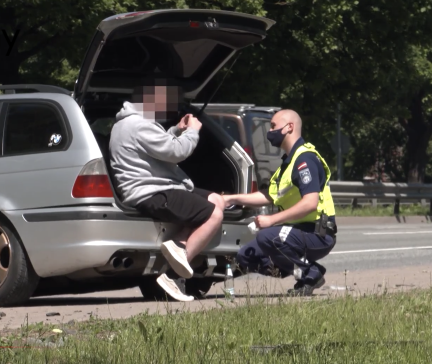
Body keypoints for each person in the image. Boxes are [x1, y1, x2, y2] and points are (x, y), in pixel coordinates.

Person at [109, 78, 225, 302]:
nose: (170, 106)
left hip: (159, 188)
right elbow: (176, 152)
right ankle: (171, 276)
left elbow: (158, 145)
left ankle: (179, 244)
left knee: (215, 199)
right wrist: (192, 131)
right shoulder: (137, 124)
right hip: (149, 193)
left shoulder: (134, 123)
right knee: (214, 213)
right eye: (166, 101)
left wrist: (175, 129)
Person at [223, 109, 337, 296]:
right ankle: (299, 270)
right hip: (298, 231)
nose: (270, 132)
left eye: (274, 126)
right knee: (246, 256)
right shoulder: (288, 163)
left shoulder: (304, 159)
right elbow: (269, 195)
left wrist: (272, 220)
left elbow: (310, 203)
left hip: (318, 232)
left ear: (289, 127)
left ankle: (310, 272)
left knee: (267, 236)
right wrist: (229, 199)